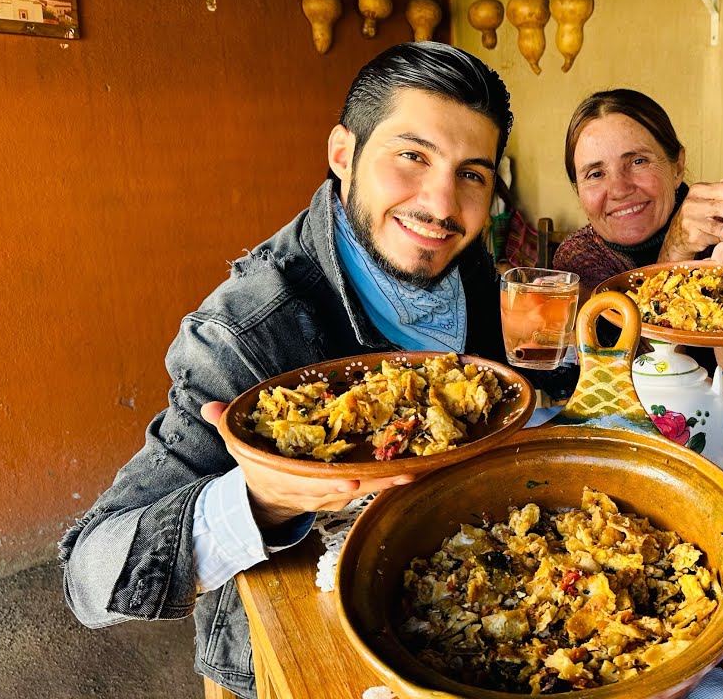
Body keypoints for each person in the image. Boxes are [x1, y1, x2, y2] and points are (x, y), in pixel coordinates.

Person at [59, 42, 520, 698]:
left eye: (472, 173)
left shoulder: (471, 267)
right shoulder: (247, 331)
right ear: (343, 153)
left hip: (478, 597)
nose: (442, 204)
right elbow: (87, 576)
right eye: (412, 156)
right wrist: (263, 499)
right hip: (300, 656)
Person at [552, 89, 723, 413]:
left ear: (677, 165)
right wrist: (676, 254)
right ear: (579, 191)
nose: (620, 189)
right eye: (595, 174)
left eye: (637, 161)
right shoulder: (580, 260)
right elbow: (625, 398)